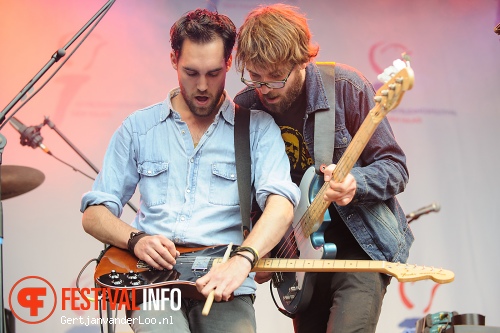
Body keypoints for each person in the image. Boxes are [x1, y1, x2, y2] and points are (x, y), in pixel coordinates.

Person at [80, 8, 300, 333]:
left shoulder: (256, 128)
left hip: (225, 281)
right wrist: (136, 240)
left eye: (213, 73)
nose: (201, 86)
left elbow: (281, 206)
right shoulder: (139, 128)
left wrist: (244, 259)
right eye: (190, 72)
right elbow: (94, 213)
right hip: (151, 282)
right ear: (173, 60)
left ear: (229, 63)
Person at [234, 3, 414, 333]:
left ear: (302, 59)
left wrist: (355, 184)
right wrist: (263, 245)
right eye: (255, 77)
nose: (265, 89)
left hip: (362, 248)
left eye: (276, 77)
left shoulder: (347, 87)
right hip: (299, 259)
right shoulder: (245, 108)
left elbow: (395, 167)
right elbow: (249, 194)